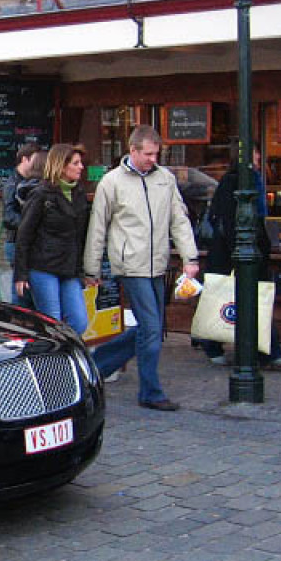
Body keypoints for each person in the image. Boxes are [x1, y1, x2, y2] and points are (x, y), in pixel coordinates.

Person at [83, 125, 199, 412]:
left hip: (157, 263)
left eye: (156, 154)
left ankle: (93, 368)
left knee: (152, 328)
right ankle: (150, 391)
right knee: (150, 326)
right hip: (130, 265)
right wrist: (91, 269)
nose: (152, 159)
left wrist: (190, 257)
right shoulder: (111, 183)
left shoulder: (165, 179)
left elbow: (178, 220)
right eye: (147, 154)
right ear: (132, 150)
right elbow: (97, 227)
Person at [199, 143, 281, 370]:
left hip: (246, 252)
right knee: (241, 301)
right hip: (237, 254)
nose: (259, 155)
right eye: (255, 151)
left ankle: (266, 352)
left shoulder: (249, 177)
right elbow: (226, 220)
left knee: (254, 300)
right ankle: (223, 346)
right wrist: (241, 250)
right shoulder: (236, 180)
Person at [14, 144, 90, 334]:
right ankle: (51, 361)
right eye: (76, 163)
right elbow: (24, 235)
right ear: (61, 166)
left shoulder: (79, 194)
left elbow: (80, 236)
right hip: (43, 266)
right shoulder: (41, 194)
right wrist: (21, 273)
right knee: (51, 321)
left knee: (79, 321)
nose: (81, 167)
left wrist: (83, 270)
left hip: (69, 268)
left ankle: (60, 357)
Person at [1, 143, 41, 297]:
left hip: (24, 242)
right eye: (35, 161)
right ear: (24, 159)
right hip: (16, 242)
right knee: (21, 288)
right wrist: (30, 225)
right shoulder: (12, 184)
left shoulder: (30, 182)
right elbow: (9, 217)